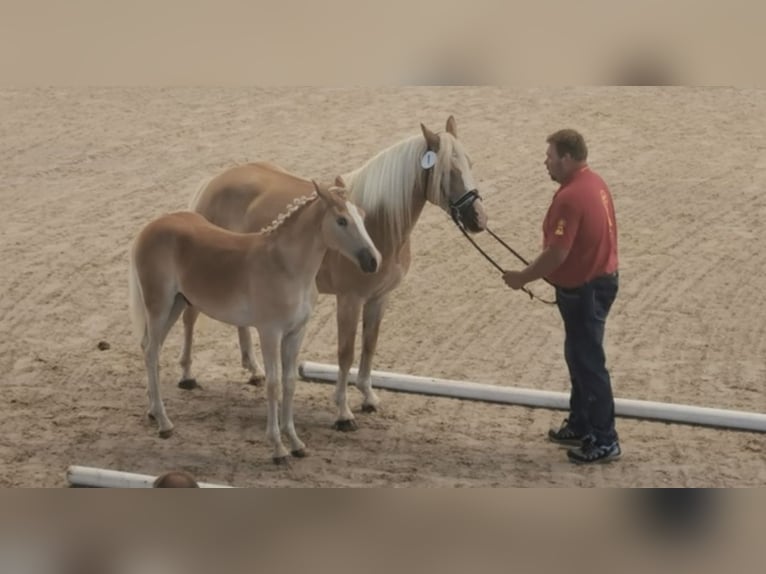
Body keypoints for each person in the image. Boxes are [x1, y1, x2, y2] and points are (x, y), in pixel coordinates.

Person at [503, 129, 620, 464]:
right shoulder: (594, 183)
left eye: (550, 156)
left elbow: (556, 254)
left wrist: (521, 278)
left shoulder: (570, 197)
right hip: (598, 282)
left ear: (567, 158)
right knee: (579, 355)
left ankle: (604, 437)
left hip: (585, 290)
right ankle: (582, 422)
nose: (546, 162)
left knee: (588, 363)